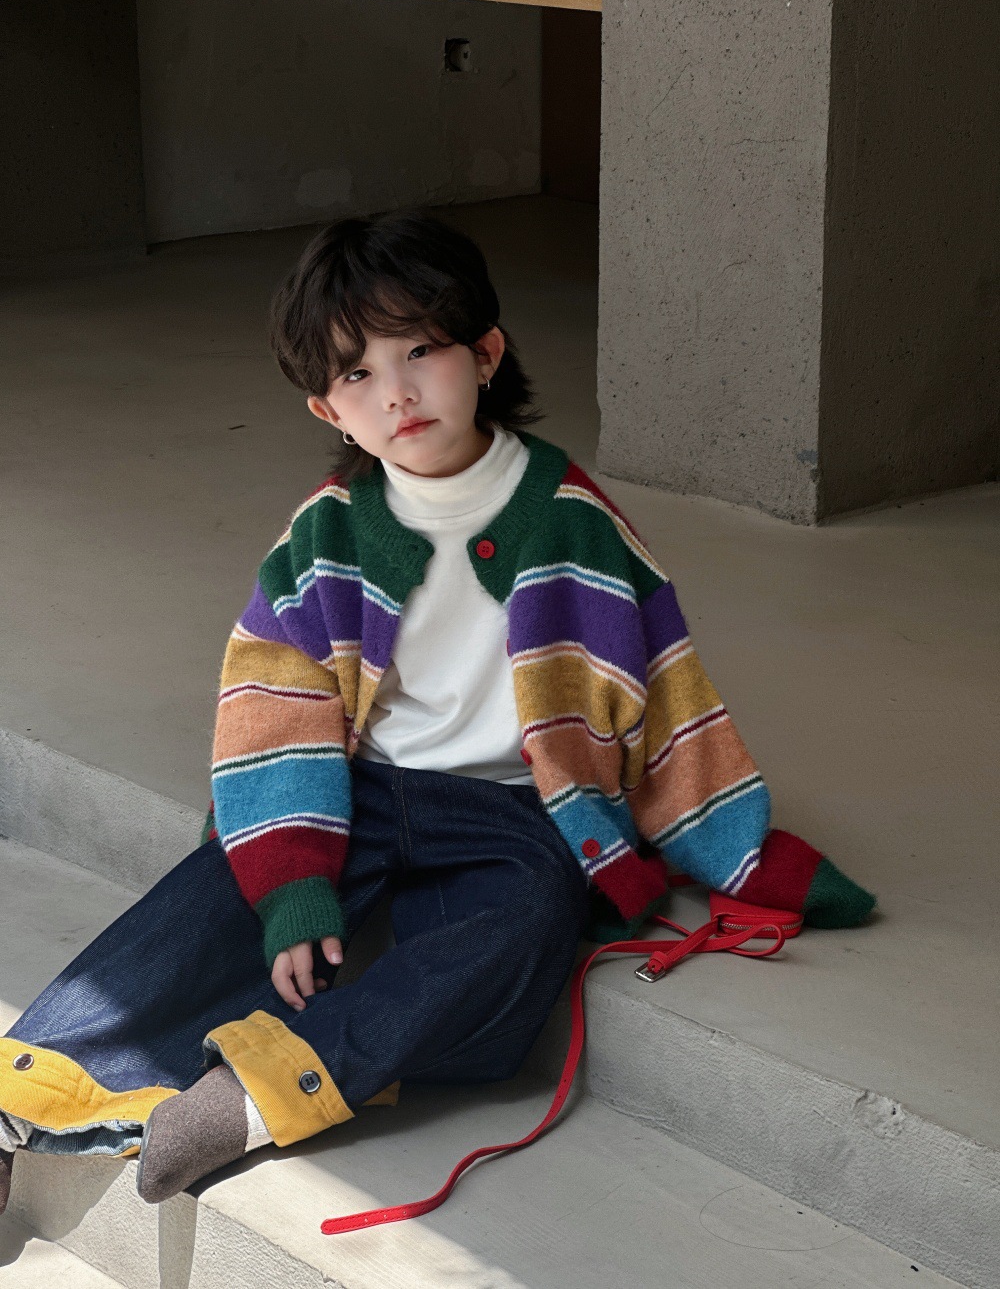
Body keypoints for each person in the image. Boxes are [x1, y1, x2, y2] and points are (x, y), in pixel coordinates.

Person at [0, 209, 876, 1214]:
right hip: (365, 789)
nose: (397, 391)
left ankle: (256, 1095)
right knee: (216, 893)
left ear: (486, 354)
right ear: (328, 410)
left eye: (419, 350)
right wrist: (294, 888)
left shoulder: (573, 522)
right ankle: (21, 1101)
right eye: (356, 373)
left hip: (518, 811)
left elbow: (665, 700)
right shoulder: (326, 534)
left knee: (524, 932)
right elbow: (274, 713)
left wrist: (741, 849)